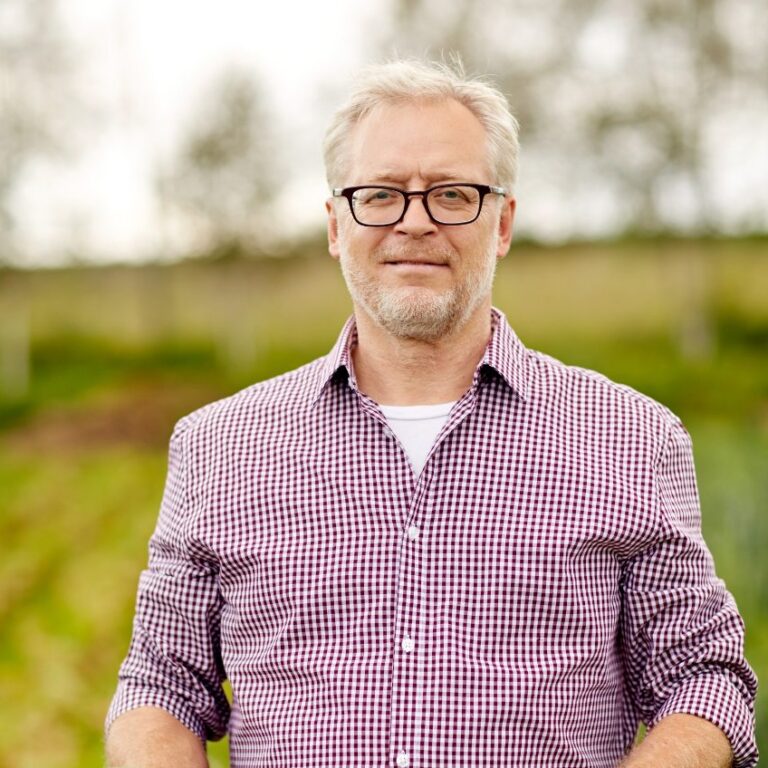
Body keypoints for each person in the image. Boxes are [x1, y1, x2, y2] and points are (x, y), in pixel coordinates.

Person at [105, 59, 758, 768]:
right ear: (335, 224)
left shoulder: (633, 436)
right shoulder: (217, 446)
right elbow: (161, 684)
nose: (414, 223)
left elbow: (703, 678)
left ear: (503, 222)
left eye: (452, 194)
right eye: (380, 194)